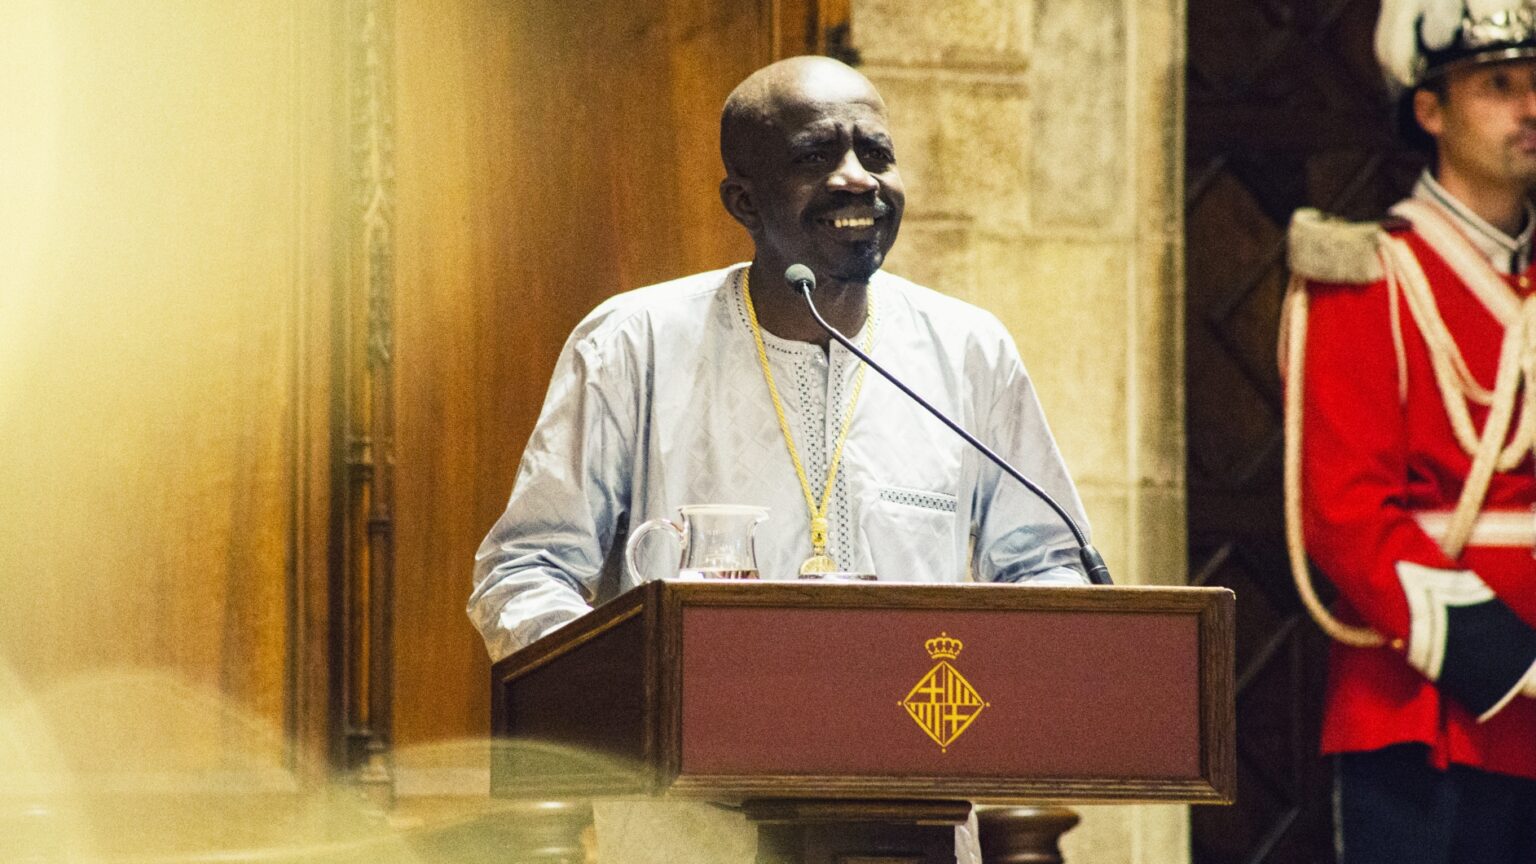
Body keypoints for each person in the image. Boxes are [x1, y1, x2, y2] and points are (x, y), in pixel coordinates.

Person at [469, 54, 1090, 864]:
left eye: (876, 153)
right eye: (814, 157)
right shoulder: (634, 344)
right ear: (743, 201)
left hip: (916, 823)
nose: (857, 179)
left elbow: (1048, 567)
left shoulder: (968, 352)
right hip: (689, 833)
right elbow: (523, 570)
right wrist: (646, 702)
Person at [1283, 1, 1536, 860]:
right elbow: (1343, 516)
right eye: (1499, 85)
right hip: (1427, 711)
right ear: (1429, 110)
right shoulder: (1366, 279)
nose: (1531, 107)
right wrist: (1512, 659)